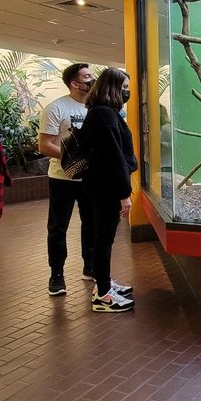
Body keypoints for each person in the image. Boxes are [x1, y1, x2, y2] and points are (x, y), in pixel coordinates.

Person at [77, 68, 137, 313]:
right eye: (123, 87)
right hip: (105, 189)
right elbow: (113, 157)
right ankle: (103, 295)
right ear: (112, 87)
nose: (127, 91)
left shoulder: (102, 112)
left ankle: (103, 284)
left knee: (103, 238)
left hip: (100, 186)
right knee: (104, 239)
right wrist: (124, 193)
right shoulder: (104, 114)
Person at [38, 63, 96, 297]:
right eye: (87, 76)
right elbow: (44, 145)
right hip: (62, 179)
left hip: (90, 180)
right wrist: (75, 159)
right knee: (57, 228)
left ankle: (90, 267)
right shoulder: (56, 108)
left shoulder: (96, 108)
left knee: (91, 224)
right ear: (75, 83)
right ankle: (57, 275)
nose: (92, 79)